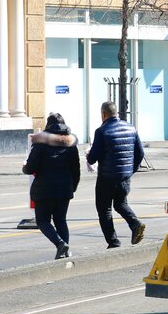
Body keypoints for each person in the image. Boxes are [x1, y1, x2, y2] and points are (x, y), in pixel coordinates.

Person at [86, 101, 146, 248]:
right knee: (121, 203)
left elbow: (93, 158)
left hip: (106, 178)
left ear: (103, 114)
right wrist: (130, 170)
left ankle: (113, 242)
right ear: (116, 113)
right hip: (124, 177)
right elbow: (140, 153)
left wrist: (88, 155)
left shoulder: (101, 131)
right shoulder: (131, 128)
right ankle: (135, 224)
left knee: (104, 210)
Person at [22, 113, 81, 260]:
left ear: (48, 125)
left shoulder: (41, 143)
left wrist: (24, 167)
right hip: (64, 190)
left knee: (43, 221)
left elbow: (30, 168)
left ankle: (60, 244)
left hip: (44, 190)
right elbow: (76, 170)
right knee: (61, 220)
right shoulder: (71, 144)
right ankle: (65, 252)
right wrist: (72, 187)